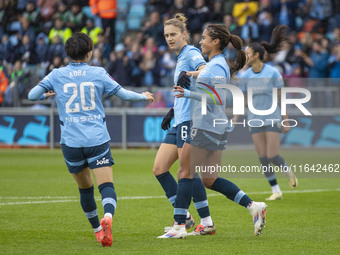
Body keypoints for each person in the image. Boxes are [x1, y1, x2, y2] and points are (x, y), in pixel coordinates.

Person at [28, 33, 153, 246]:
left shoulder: (56, 74)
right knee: (106, 186)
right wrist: (144, 96)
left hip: (71, 142)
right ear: (89, 52)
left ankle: (97, 230)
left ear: (67, 53)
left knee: (85, 189)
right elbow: (123, 94)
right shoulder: (98, 73)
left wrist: (45, 95)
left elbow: (32, 95)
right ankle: (108, 217)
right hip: (97, 139)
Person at [158, 24, 267, 239]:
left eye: (204, 38)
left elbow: (218, 99)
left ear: (216, 41)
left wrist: (187, 94)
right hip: (213, 126)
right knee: (208, 178)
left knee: (185, 173)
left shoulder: (216, 65)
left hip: (205, 125)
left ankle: (180, 225)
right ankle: (253, 206)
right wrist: (189, 78)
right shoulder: (214, 64)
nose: (200, 42)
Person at [154, 13, 216, 236]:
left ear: (183, 34)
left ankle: (188, 221)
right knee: (160, 169)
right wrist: (171, 110)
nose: (169, 38)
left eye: (173, 34)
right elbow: (184, 87)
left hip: (190, 119)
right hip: (179, 118)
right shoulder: (179, 56)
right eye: (166, 35)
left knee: (187, 172)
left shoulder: (190, 52)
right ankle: (192, 219)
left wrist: (191, 73)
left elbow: (206, 71)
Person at [234, 25, 298, 201]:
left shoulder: (272, 73)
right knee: (262, 157)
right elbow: (243, 99)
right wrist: (236, 117)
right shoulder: (246, 75)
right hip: (254, 120)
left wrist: (285, 120)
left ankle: (286, 170)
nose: (244, 56)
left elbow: (281, 98)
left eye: (247, 53)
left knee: (272, 155)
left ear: (256, 55)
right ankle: (276, 190)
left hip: (272, 118)